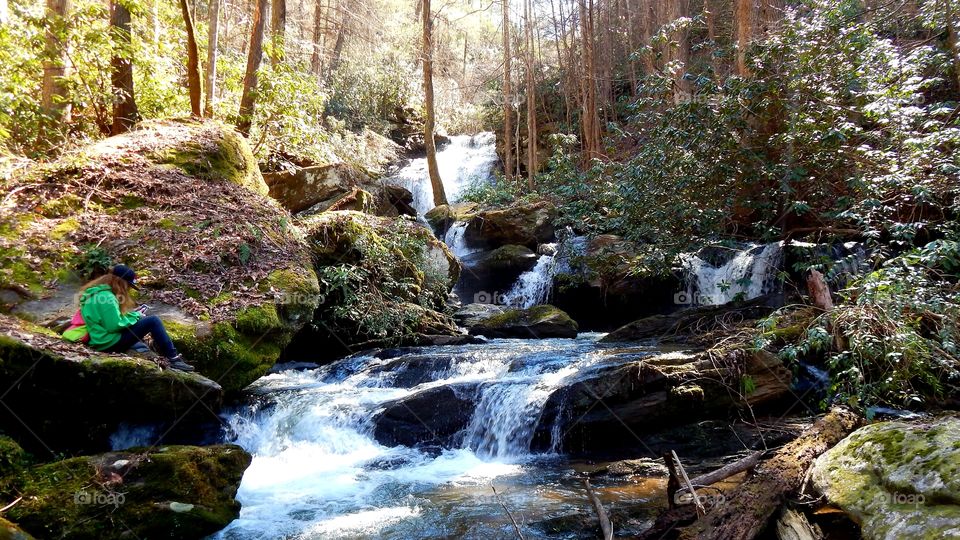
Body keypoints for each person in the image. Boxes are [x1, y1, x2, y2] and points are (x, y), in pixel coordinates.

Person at [76, 264, 195, 372]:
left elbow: (107, 319)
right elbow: (114, 326)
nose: (128, 289)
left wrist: (133, 314)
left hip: (98, 338)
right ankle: (174, 359)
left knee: (142, 321)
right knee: (153, 321)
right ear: (121, 282)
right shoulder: (108, 297)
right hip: (108, 342)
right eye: (128, 285)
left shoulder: (96, 293)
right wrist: (137, 316)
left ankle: (151, 349)